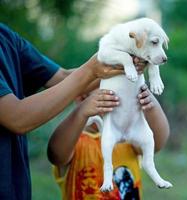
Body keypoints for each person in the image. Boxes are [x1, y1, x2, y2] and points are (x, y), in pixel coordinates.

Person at [0, 23, 146, 200]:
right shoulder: (79, 141)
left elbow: (63, 79)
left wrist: (124, 67)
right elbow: (16, 117)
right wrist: (91, 75)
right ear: (82, 99)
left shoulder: (6, 36)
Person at [47, 85, 170, 200]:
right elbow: (57, 155)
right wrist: (81, 112)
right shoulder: (75, 142)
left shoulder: (127, 138)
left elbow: (157, 143)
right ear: (82, 98)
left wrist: (150, 104)